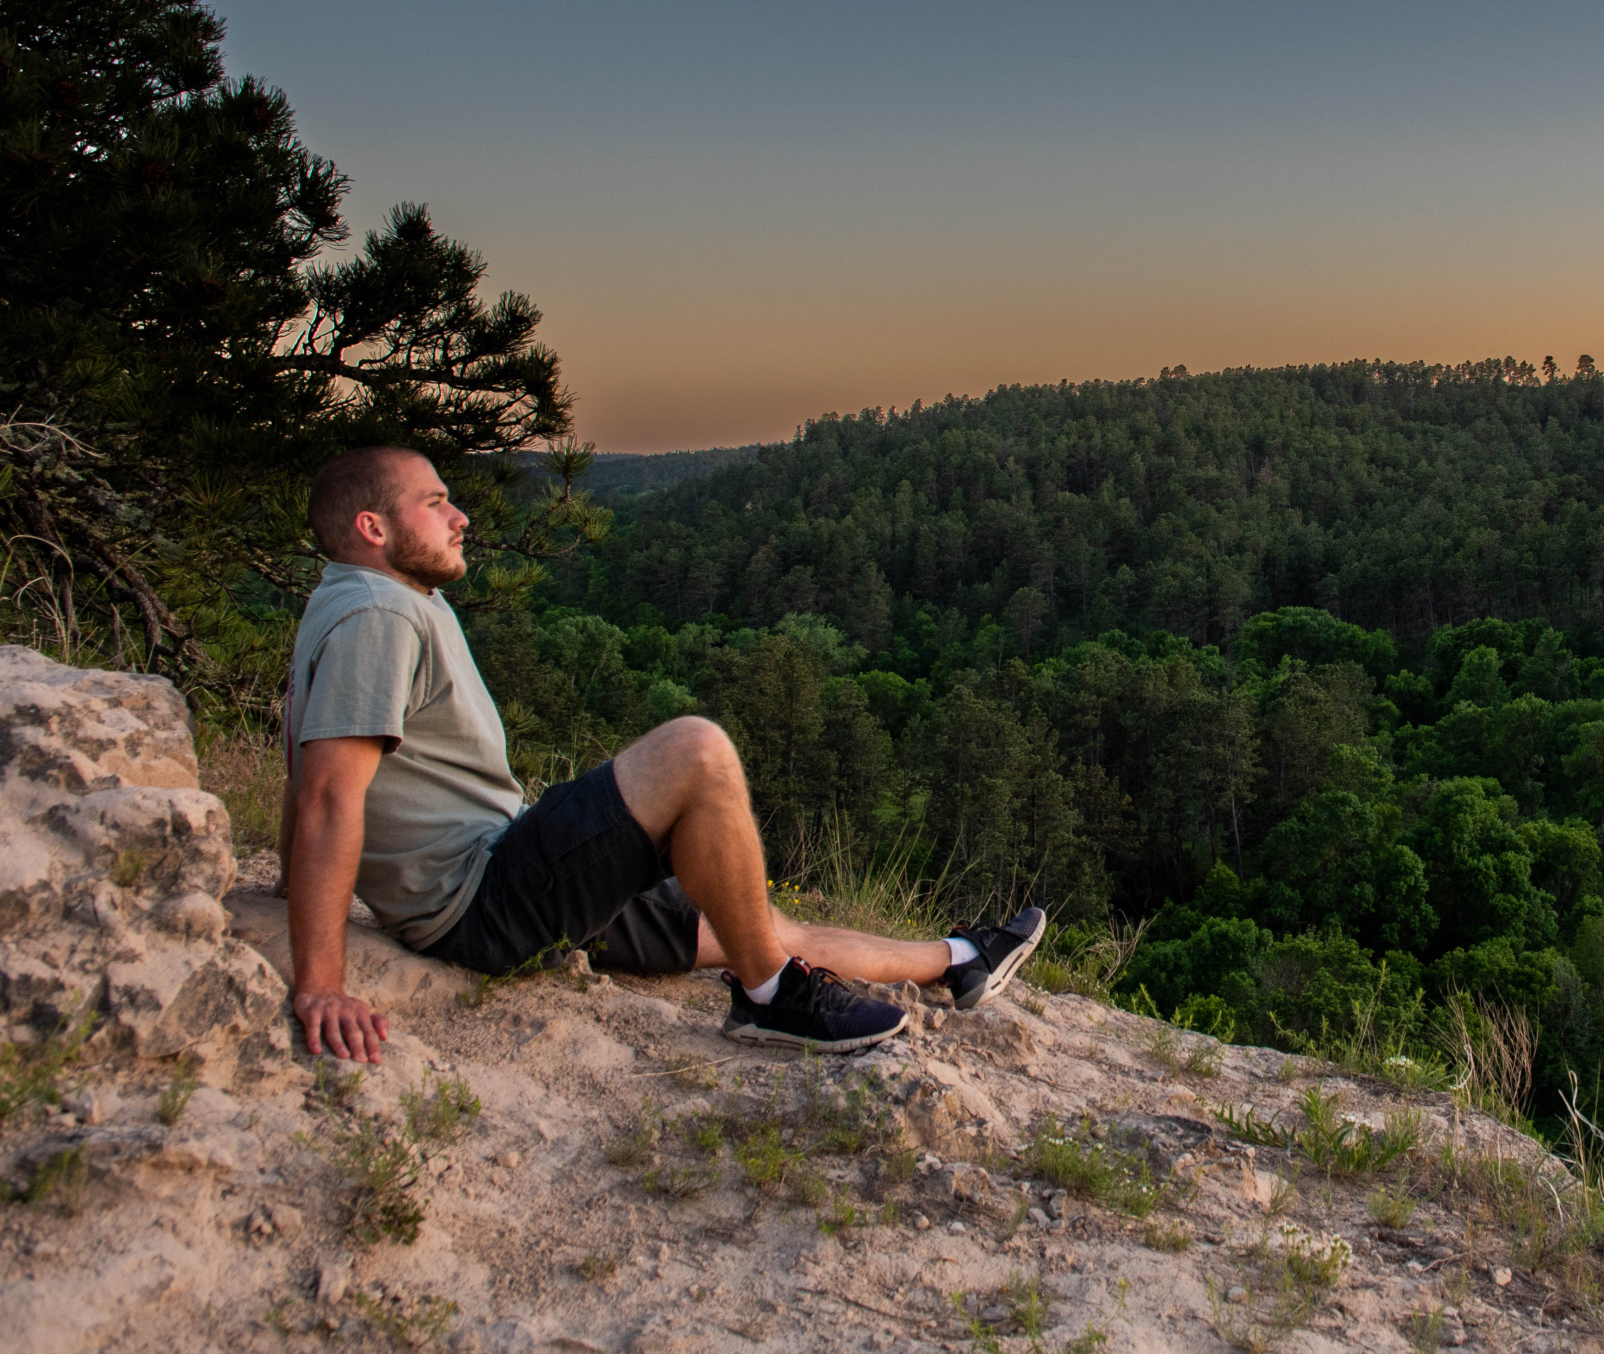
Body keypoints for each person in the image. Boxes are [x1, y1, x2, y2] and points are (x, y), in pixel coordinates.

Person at [280, 445, 1045, 1064]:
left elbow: (303, 769)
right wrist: (319, 982)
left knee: (752, 920)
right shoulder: (379, 615)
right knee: (697, 749)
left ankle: (959, 959)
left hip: (503, 870)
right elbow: (326, 793)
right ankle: (771, 999)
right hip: (485, 895)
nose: (462, 514)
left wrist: (287, 885)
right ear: (374, 526)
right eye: (435, 501)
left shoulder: (353, 596)